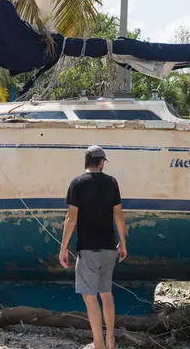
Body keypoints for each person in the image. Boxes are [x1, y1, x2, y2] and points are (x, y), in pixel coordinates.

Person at [59, 145, 128, 349]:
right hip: (108, 249)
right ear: (100, 162)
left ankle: (98, 343)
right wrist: (122, 243)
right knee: (106, 294)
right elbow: (119, 215)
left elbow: (71, 217)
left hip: (88, 250)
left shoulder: (77, 183)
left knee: (90, 298)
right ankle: (110, 340)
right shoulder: (111, 182)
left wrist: (63, 248)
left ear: (87, 161)